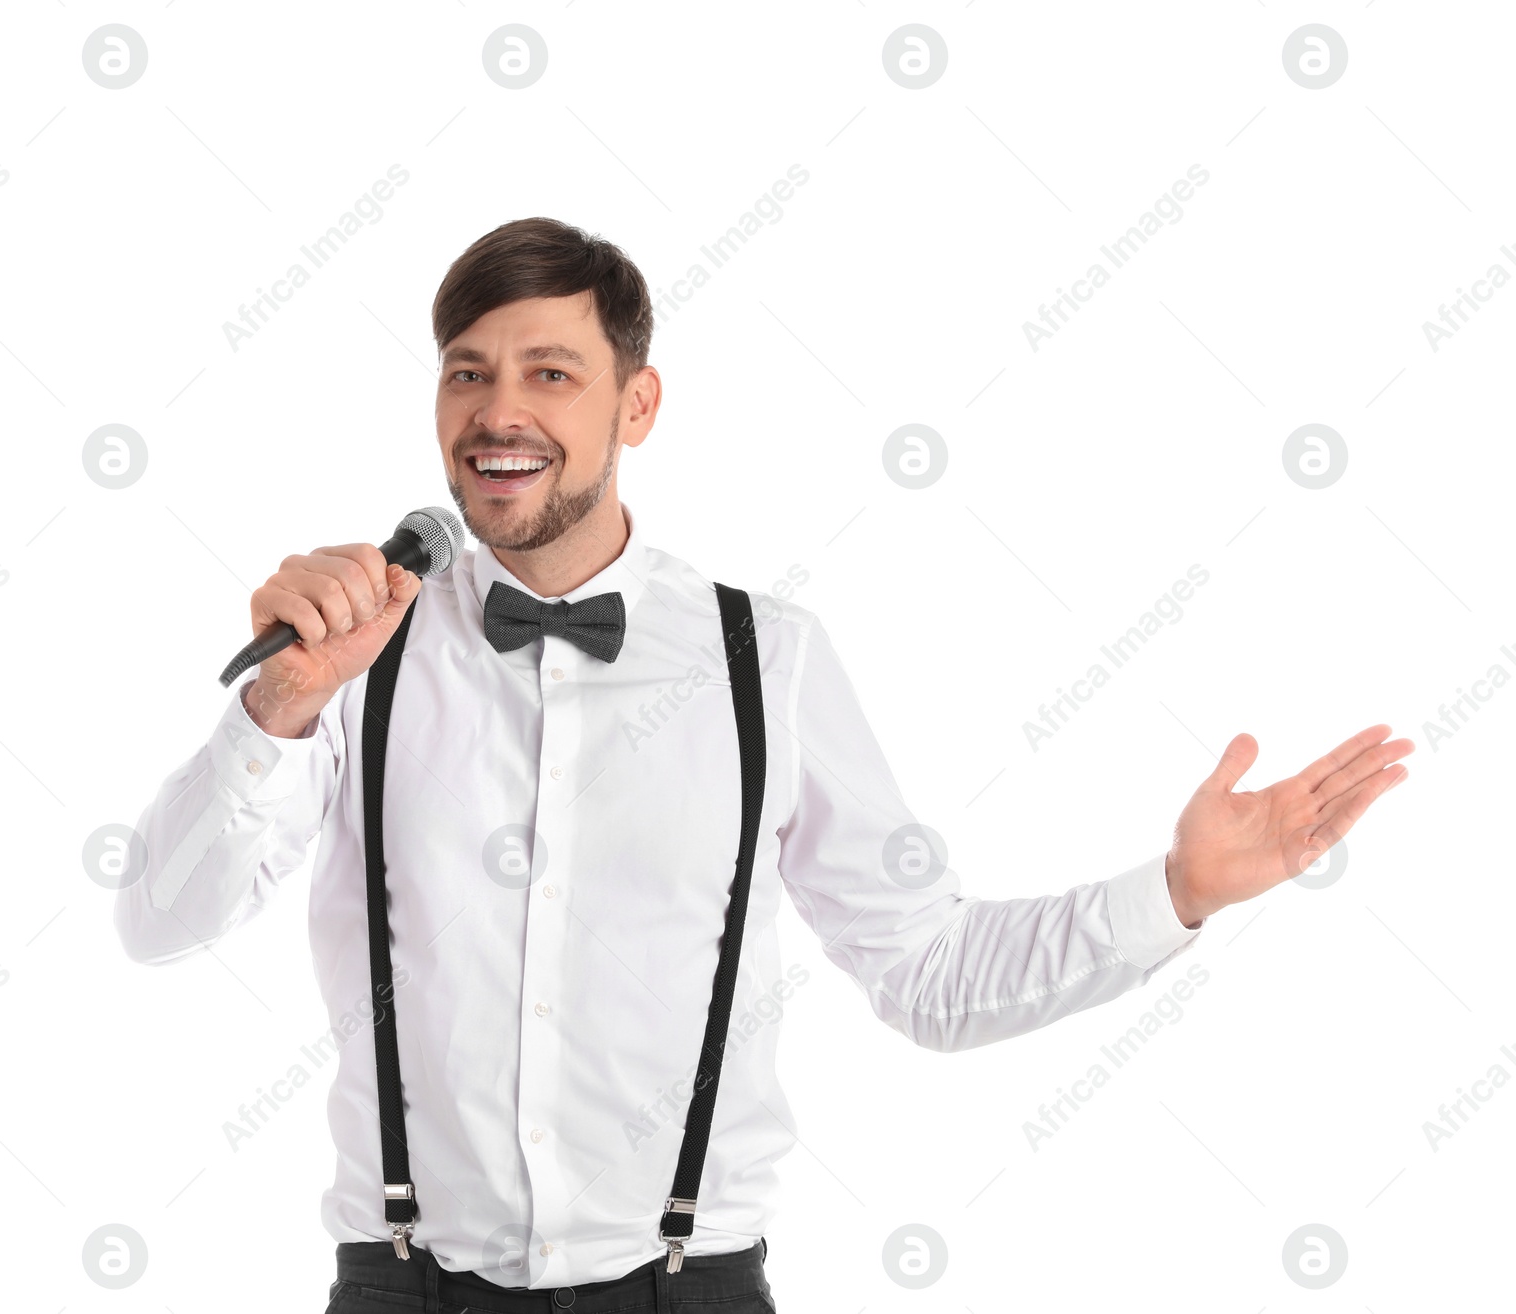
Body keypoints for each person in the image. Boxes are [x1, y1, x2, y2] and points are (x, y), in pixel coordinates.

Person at [114, 217, 1413, 1313]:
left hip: (693, 1287)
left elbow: (930, 974)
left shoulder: (765, 661)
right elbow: (160, 922)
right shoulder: (357, 659)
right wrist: (278, 705)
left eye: (550, 373)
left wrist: (1174, 890)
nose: (499, 412)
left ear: (639, 400)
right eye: (467, 373)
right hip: (403, 1282)